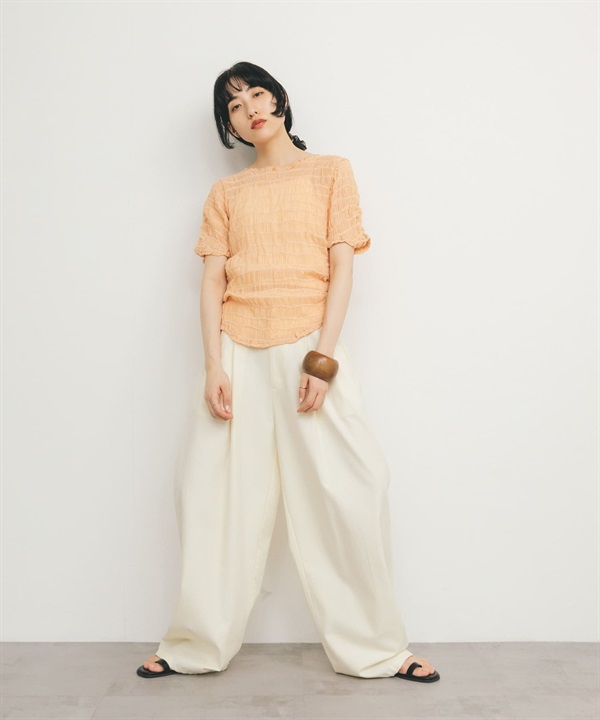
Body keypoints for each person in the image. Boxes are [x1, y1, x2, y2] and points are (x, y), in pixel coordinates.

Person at [136, 61, 440, 684]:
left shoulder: (331, 172)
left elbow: (342, 267)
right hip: (236, 350)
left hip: (309, 348)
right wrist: (213, 365)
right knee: (210, 496)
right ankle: (192, 645)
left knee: (352, 491)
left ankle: (380, 649)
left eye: (256, 93)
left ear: (278, 100)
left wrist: (322, 360)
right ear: (229, 127)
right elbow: (212, 282)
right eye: (234, 106)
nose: (249, 108)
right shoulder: (225, 194)